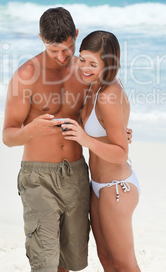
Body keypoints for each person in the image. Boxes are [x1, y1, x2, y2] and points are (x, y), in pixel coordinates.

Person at [2, 8, 132, 272]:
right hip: (39, 177)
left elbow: (105, 109)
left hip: (77, 173)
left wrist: (117, 133)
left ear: (76, 35)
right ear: (41, 38)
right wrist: (31, 130)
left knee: (69, 262)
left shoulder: (85, 72)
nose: (62, 57)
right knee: (45, 262)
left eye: (68, 49)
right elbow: (8, 136)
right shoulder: (25, 77)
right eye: (54, 50)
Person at [62, 31, 141, 272]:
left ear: (109, 65)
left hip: (116, 188)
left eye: (93, 64)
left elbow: (120, 153)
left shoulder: (108, 95)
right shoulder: (93, 85)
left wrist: (86, 139)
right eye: (82, 59)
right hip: (97, 187)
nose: (84, 67)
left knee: (124, 264)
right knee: (106, 260)